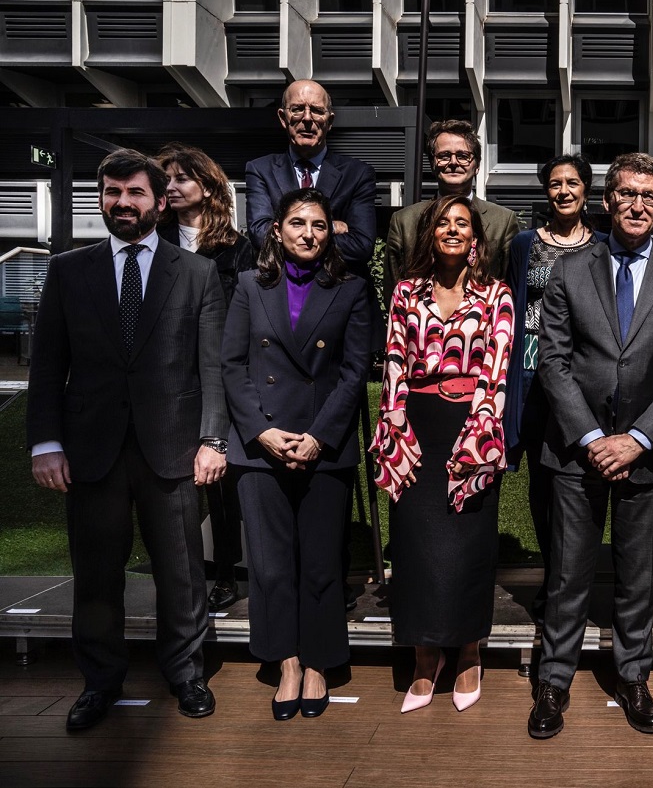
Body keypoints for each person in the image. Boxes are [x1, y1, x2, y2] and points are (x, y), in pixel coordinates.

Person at [27, 149, 228, 730]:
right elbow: (47, 367)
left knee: (182, 571)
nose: (122, 202)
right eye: (112, 192)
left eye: (135, 192)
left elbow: (210, 366)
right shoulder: (68, 270)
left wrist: (213, 439)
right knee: (95, 575)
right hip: (91, 450)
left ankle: (187, 673)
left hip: (174, 446)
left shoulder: (197, 273)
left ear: (159, 202)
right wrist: (46, 444)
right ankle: (99, 682)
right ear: (101, 199)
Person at [527, 153, 653, 740]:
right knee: (567, 575)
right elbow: (552, 362)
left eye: (650, 197)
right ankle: (554, 682)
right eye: (627, 194)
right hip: (576, 452)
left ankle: (633, 677)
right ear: (609, 200)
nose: (638, 206)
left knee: (637, 577)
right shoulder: (569, 271)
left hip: (644, 455)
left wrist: (635, 439)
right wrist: (591, 437)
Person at [221, 188, 371, 721]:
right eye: (297, 223)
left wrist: (319, 436)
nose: (309, 233)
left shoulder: (351, 289)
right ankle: (285, 661)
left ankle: (318, 664)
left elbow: (355, 372)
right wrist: (261, 432)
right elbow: (233, 365)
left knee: (321, 563)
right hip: (260, 447)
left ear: (331, 234)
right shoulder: (247, 286)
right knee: (269, 565)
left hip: (322, 447)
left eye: (320, 225)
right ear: (277, 230)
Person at [371, 195, 513, 714]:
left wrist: (480, 433)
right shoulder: (406, 292)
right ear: (430, 235)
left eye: (462, 224)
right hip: (417, 431)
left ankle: (470, 652)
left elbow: (497, 369)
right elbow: (393, 362)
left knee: (469, 547)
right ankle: (425, 657)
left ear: (476, 239)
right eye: (443, 224)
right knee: (415, 549)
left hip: (473, 428)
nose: (452, 230)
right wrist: (395, 430)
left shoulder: (497, 293)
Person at [503, 154, 604, 631]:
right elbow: (510, 303)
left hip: (583, 378)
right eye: (555, 183)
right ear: (546, 191)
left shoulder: (603, 246)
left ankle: (574, 584)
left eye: (573, 182)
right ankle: (552, 578)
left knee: (580, 485)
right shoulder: (525, 244)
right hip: (530, 372)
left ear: (587, 190)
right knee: (542, 488)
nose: (563, 191)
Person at [156, 142, 255, 613]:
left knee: (223, 484)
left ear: (208, 186)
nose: (171, 187)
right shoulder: (154, 243)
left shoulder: (238, 247)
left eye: (181, 178)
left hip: (222, 376)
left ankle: (224, 572)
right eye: (167, 179)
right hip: (170, 378)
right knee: (172, 483)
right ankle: (181, 576)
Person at [245, 79, 378, 278]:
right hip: (281, 289)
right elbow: (259, 234)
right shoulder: (260, 170)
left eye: (316, 110)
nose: (307, 118)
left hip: (339, 288)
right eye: (298, 109)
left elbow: (361, 245)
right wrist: (330, 226)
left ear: (329, 121)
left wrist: (289, 234)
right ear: (283, 118)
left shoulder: (357, 174)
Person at [384, 119, 520, 300]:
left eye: (463, 156)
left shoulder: (502, 221)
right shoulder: (404, 221)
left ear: (477, 165)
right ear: (432, 163)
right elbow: (392, 292)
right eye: (444, 155)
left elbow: (511, 289)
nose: (454, 162)